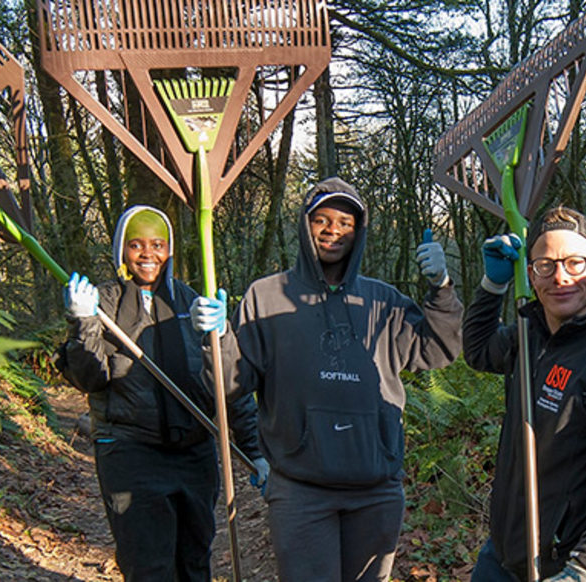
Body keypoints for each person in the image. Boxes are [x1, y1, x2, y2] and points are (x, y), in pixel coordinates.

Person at [195, 177, 463, 581]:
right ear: (305, 226)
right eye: (321, 219)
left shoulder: (382, 302)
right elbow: (231, 383)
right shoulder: (266, 297)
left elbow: (439, 349)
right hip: (300, 490)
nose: (332, 230)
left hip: (375, 487)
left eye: (345, 222)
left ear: (359, 232)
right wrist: (217, 339)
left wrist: (441, 289)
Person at [57, 205, 267, 582]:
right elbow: (88, 379)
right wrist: (82, 324)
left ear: (170, 250)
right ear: (121, 250)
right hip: (130, 452)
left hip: (195, 454)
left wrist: (255, 452)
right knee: (148, 567)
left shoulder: (192, 304)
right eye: (136, 245)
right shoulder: (103, 303)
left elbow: (227, 385)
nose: (147, 254)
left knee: (194, 562)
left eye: (157, 244)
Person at [463, 206, 586, 582]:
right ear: (531, 274)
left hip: (573, 565)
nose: (560, 277)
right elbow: (477, 351)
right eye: (545, 265)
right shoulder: (528, 336)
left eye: (575, 263)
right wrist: (493, 287)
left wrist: (585, 568)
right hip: (504, 555)